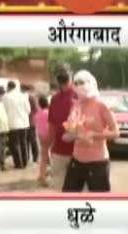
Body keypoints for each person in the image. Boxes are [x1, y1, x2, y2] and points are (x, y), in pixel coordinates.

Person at [62, 70, 119, 192]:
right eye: (76, 83)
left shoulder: (102, 105)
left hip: (97, 162)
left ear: (91, 83)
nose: (79, 86)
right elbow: (69, 132)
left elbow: (116, 132)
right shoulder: (76, 106)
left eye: (82, 82)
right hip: (77, 160)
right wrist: (71, 135)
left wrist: (95, 135)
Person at [47, 63, 77, 191]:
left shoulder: (55, 99)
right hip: (77, 151)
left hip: (61, 150)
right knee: (76, 189)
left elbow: (51, 128)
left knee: (60, 188)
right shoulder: (80, 96)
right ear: (71, 77)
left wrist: (47, 150)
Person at [2, 80, 31, 169]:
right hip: (24, 123)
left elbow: (4, 110)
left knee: (14, 144)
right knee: (23, 143)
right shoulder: (23, 96)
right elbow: (28, 110)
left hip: (12, 124)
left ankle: (18, 163)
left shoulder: (6, 97)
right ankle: (25, 162)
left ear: (9, 87)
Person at [34, 95, 51, 186]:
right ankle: (44, 176)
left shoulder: (37, 113)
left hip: (41, 136)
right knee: (50, 156)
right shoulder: (49, 113)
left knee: (43, 156)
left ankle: (41, 175)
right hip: (49, 135)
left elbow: (36, 124)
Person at [23, 85, 40, 164]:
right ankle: (32, 157)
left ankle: (33, 157)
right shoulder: (30, 97)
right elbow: (36, 109)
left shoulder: (30, 97)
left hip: (29, 122)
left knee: (30, 140)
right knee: (30, 140)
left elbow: (36, 109)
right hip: (29, 121)